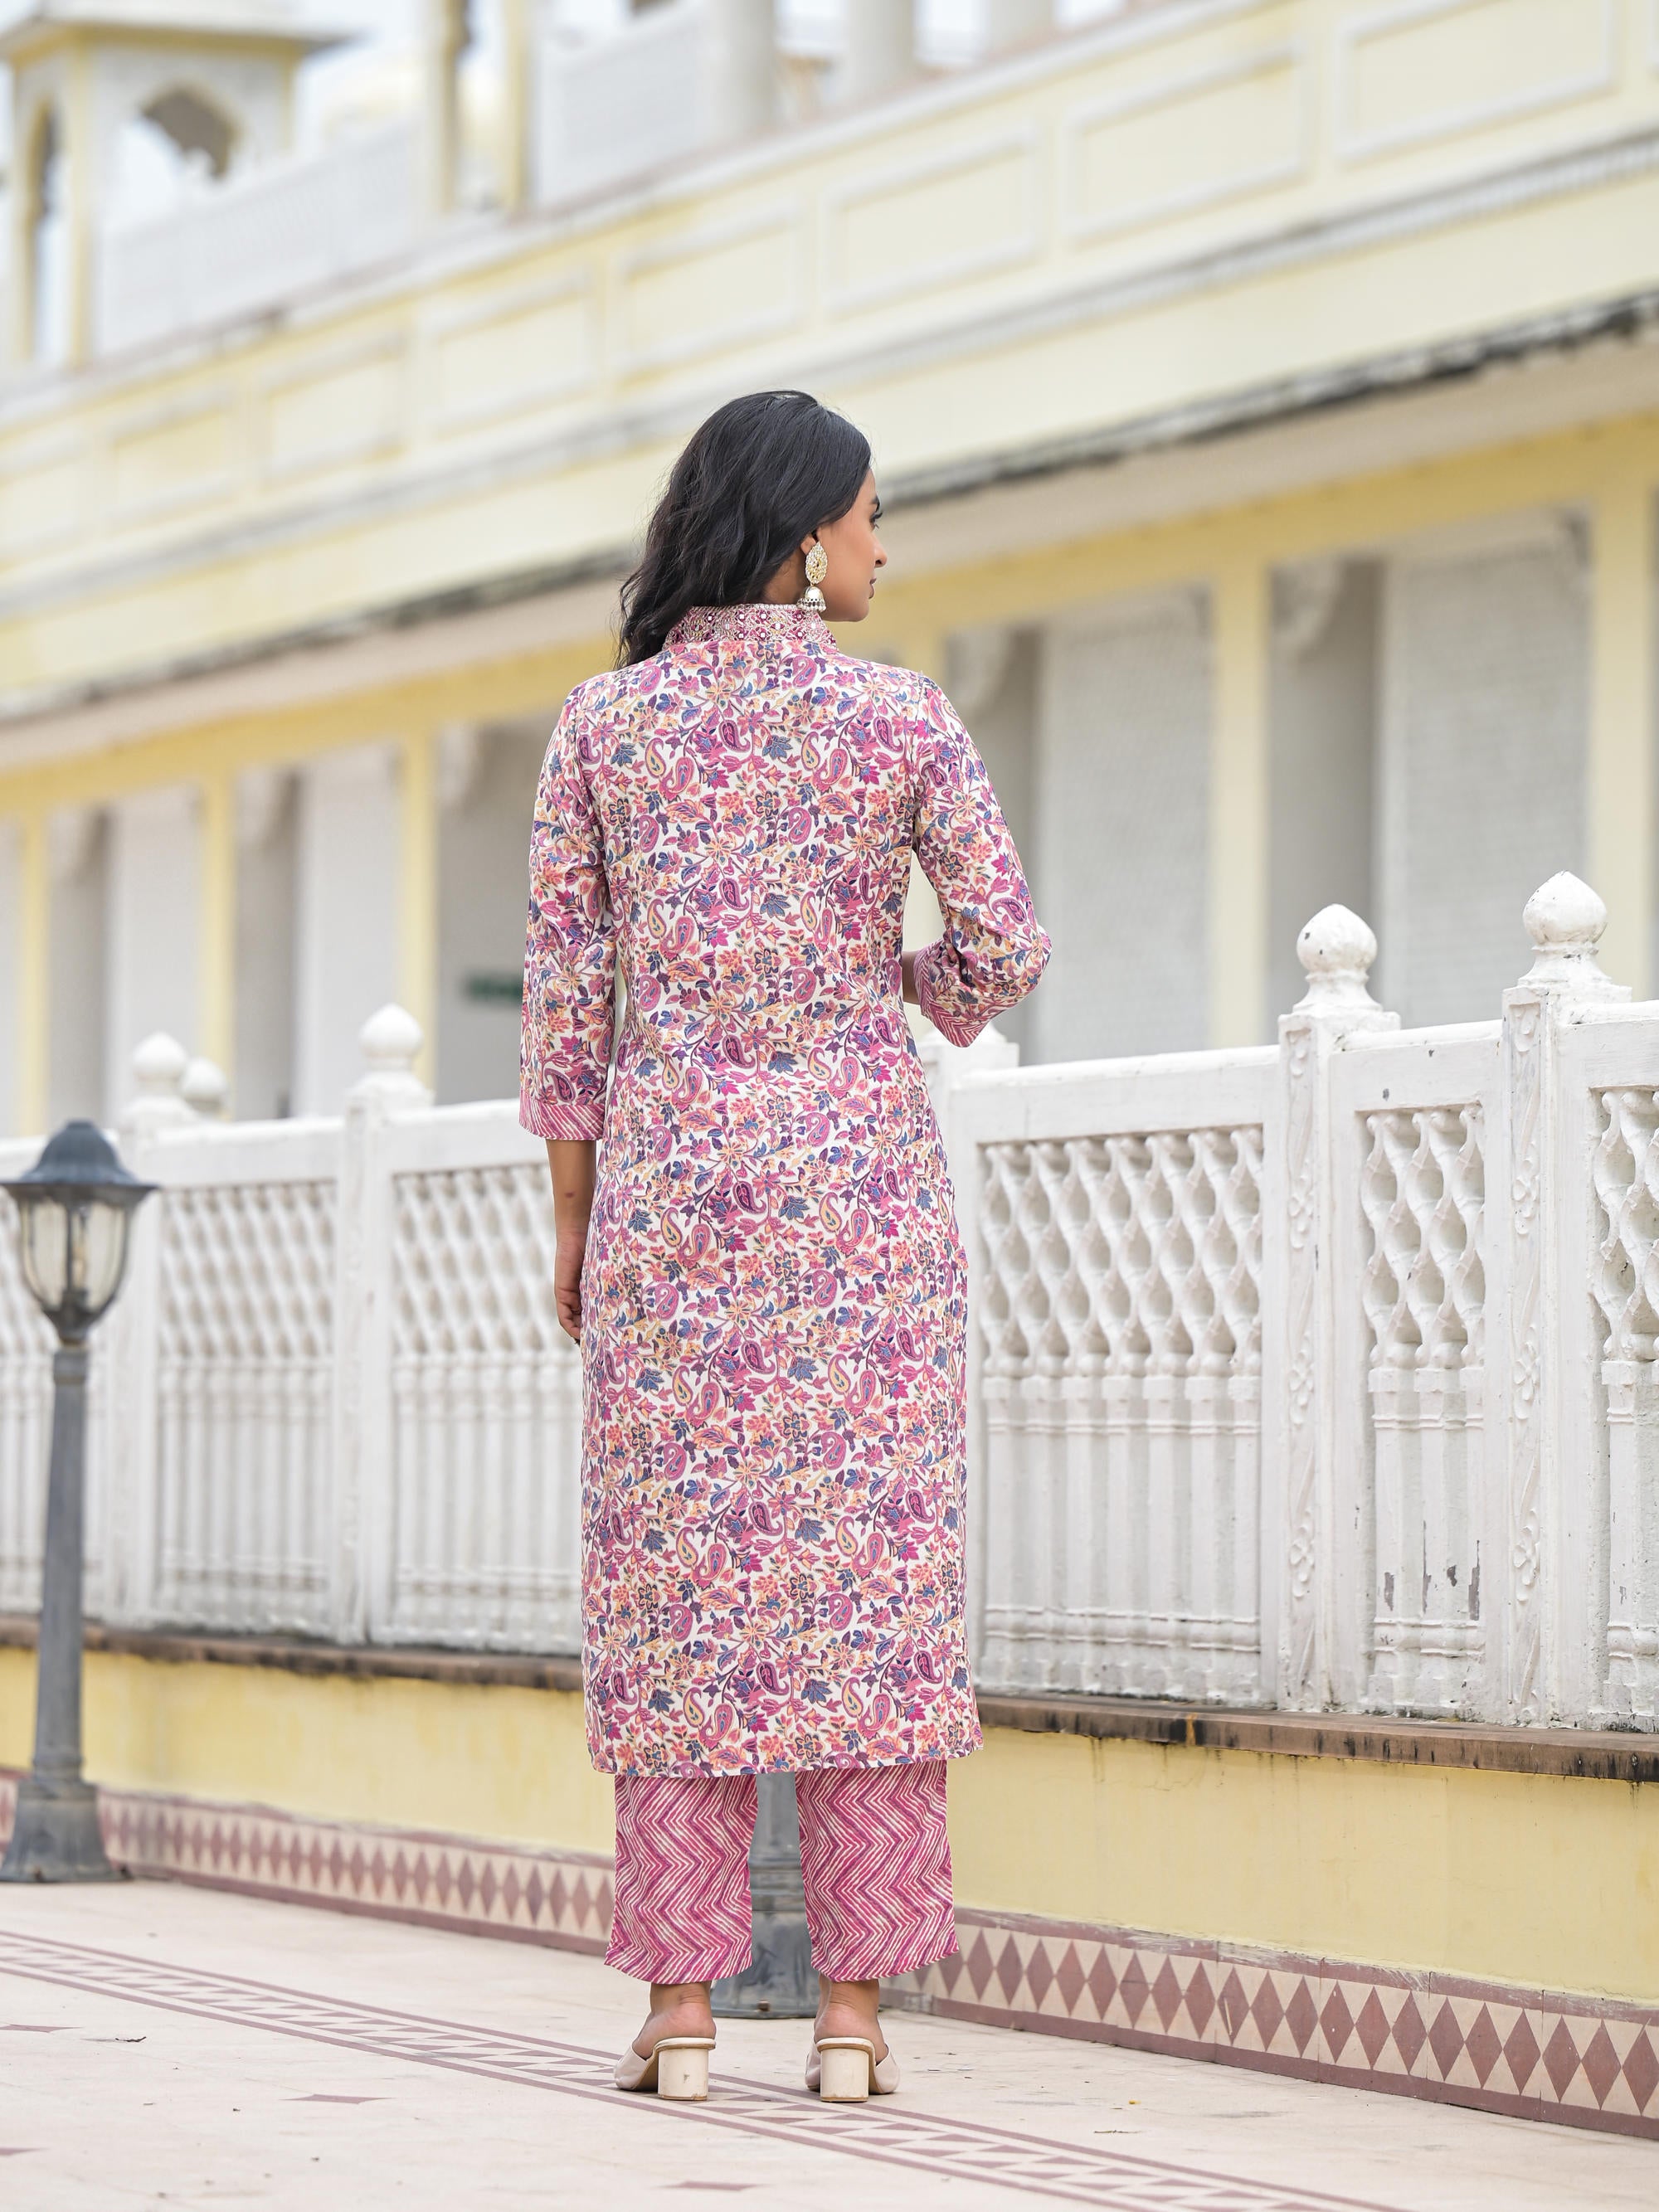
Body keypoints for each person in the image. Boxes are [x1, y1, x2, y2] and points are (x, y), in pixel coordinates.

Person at [518, 389, 1051, 2105]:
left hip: (674, 1197)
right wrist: (893, 989)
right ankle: (850, 2019)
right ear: (810, 536)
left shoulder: (604, 726)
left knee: (676, 1594)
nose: (884, 546)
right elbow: (1004, 945)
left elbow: (562, 1015)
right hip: (859, 1202)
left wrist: (578, 1230)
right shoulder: (897, 718)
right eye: (874, 515)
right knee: (868, 1593)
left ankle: (679, 2009)